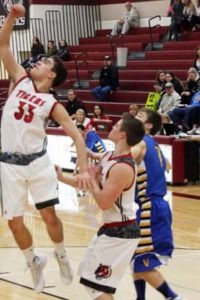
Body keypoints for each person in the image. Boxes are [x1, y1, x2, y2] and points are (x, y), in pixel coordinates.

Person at [0, 4, 91, 294]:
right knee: (14, 223)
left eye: (43, 62)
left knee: (49, 216)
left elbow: (77, 135)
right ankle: (33, 261)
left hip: (37, 163)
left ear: (52, 75)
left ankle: (61, 254)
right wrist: (13, 18)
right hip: (9, 165)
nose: (36, 62)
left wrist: (84, 167)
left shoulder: (53, 103)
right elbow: (2, 43)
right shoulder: (19, 79)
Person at [56, 113, 145, 300]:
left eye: (116, 125)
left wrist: (95, 181)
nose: (112, 126)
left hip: (122, 231)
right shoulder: (108, 156)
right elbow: (88, 180)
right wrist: (62, 177)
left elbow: (104, 203)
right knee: (92, 280)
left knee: (97, 285)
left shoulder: (123, 167)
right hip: (110, 229)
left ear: (122, 134)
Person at [131, 108, 185, 300]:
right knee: (136, 258)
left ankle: (173, 297)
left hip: (150, 208)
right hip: (153, 206)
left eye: (139, 117)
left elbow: (128, 156)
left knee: (144, 262)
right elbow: (167, 165)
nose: (134, 117)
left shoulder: (140, 142)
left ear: (148, 125)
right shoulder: (154, 145)